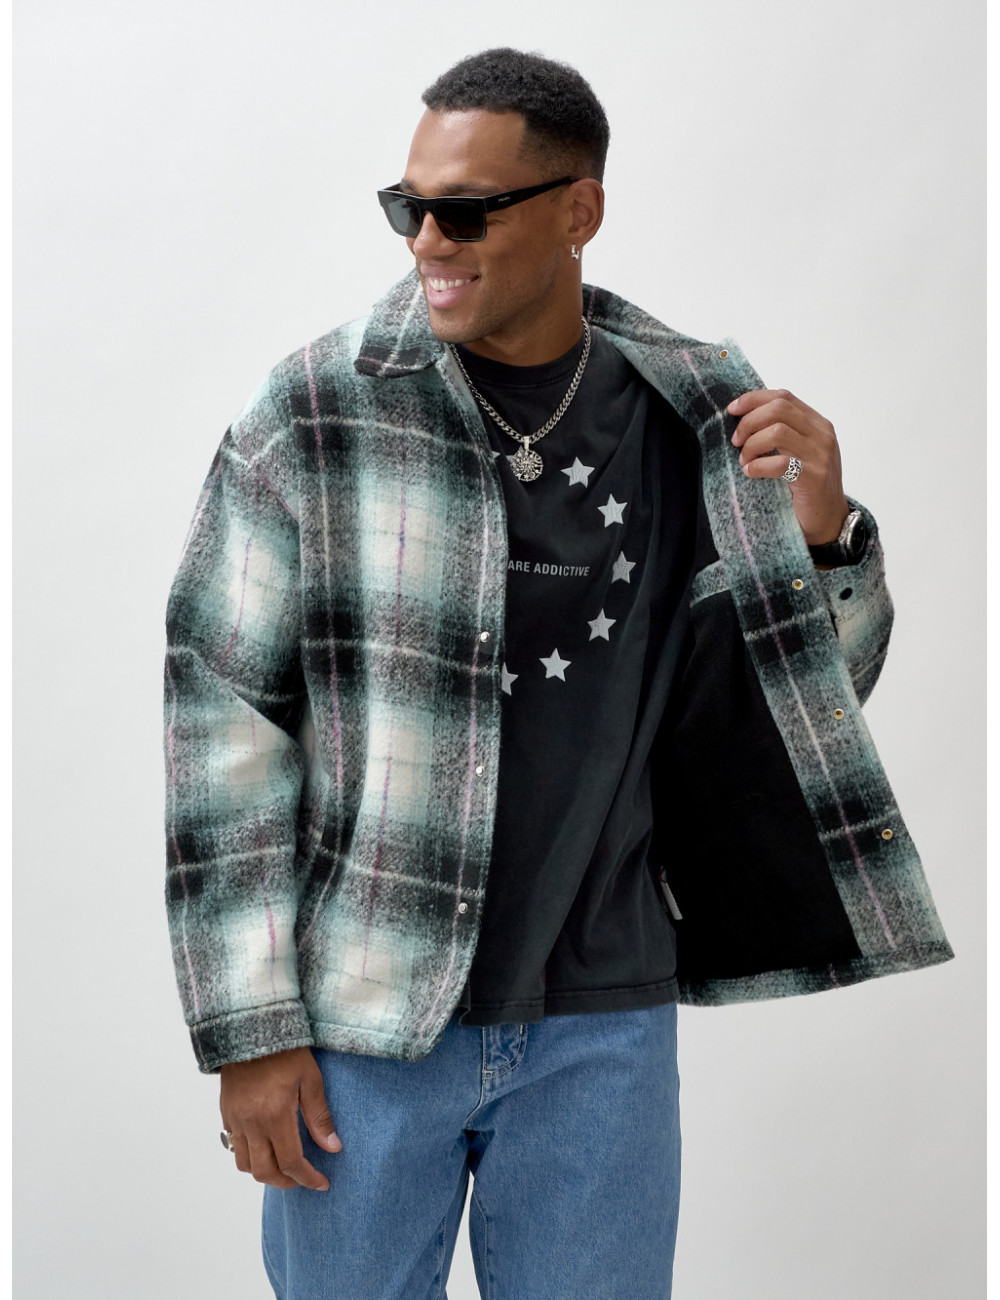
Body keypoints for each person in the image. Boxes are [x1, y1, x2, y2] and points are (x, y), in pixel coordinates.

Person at [164, 47, 953, 1300]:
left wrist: (823, 538)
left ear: (577, 210)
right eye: (408, 207)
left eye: (466, 211)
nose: (428, 240)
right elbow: (222, 725)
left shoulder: (696, 414)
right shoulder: (315, 416)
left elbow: (800, 714)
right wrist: (248, 1030)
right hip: (369, 1021)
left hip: (602, 1027)